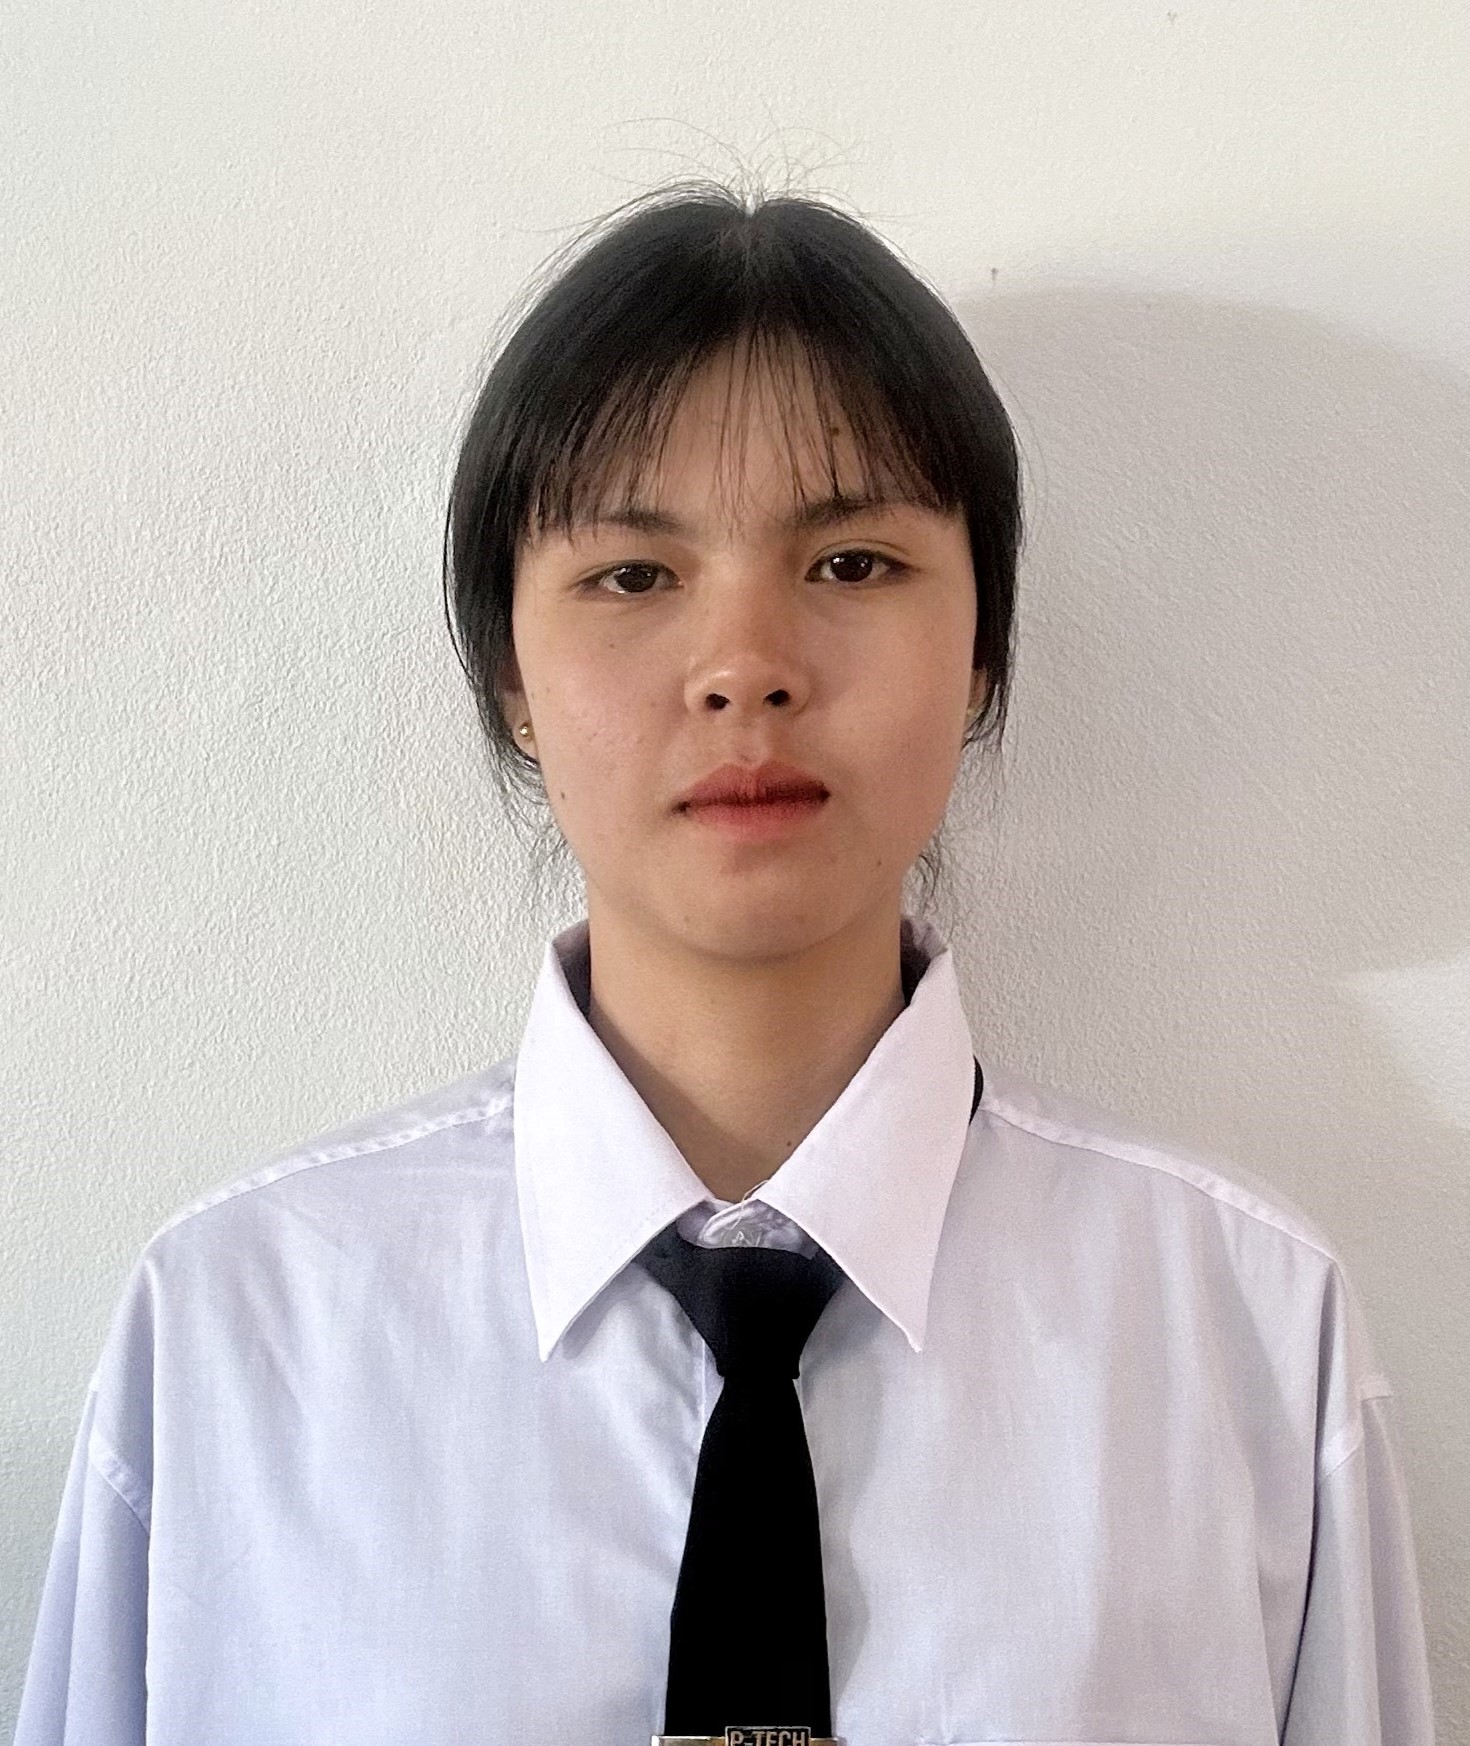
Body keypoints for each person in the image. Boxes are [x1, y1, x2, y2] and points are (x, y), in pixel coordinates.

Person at [13, 180, 1436, 1746]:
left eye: (851, 563)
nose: (744, 666)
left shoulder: (1243, 1334)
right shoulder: (235, 1334)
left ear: (981, 651)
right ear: (508, 672)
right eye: (633, 573)